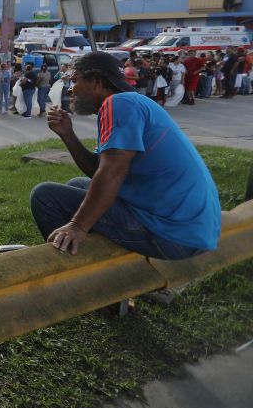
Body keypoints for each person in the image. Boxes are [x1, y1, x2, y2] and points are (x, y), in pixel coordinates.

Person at [31, 51, 220, 260]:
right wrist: (68, 135)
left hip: (173, 235)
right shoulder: (132, 102)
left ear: (96, 81)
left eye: (75, 81)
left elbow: (111, 172)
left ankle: (76, 278)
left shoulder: (119, 104)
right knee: (77, 184)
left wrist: (77, 226)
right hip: (193, 230)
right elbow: (98, 171)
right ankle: (90, 259)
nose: (70, 89)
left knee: (45, 196)